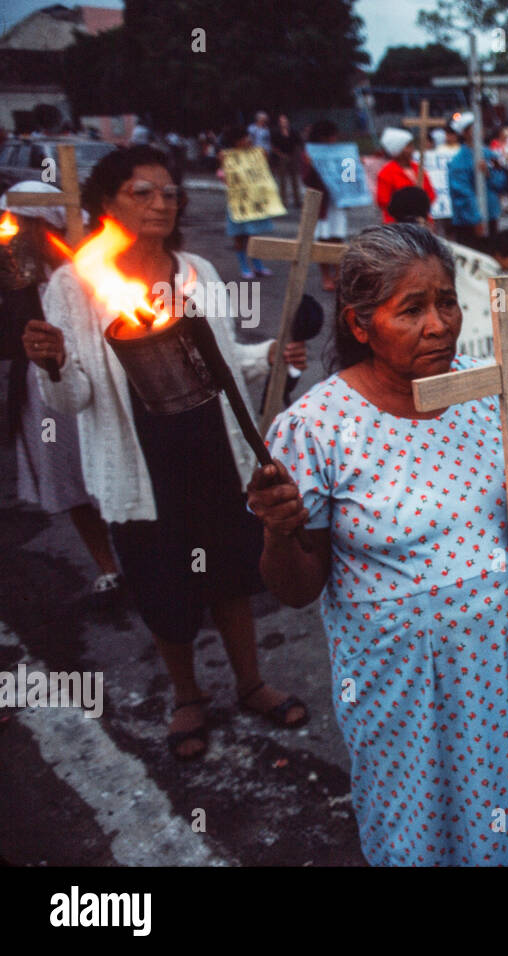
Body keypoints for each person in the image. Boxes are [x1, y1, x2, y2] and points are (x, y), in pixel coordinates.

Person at [248, 223, 508, 865]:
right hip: (399, 685)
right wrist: (279, 530)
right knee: (414, 827)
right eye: (412, 309)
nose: (440, 325)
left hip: (496, 668)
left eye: (447, 301)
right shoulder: (317, 428)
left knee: (491, 817)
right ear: (361, 323)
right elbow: (293, 588)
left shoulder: (493, 396)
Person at [27, 145, 309, 760]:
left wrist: (269, 357)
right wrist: (51, 363)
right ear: (107, 201)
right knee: (163, 581)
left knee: (233, 570)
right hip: (141, 461)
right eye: (142, 192)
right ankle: (187, 696)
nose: (161, 203)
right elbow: (72, 398)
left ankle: (250, 682)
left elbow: (221, 360)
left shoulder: (196, 271)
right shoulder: (73, 285)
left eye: (170, 192)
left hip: (211, 447)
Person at [3, 183, 122, 599]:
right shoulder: (12, 278)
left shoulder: (87, 270)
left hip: (99, 379)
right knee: (68, 477)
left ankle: (144, 553)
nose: (14, 233)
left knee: (117, 468)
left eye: (24, 224)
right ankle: (108, 566)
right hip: (44, 393)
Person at [218, 126, 275, 278]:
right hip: (238, 200)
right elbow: (224, 173)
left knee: (254, 235)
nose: (248, 140)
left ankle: (258, 265)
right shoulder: (226, 155)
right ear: (236, 141)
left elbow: (263, 168)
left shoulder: (254, 153)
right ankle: (244, 266)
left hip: (252, 199)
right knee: (240, 236)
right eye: (244, 138)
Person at [300, 120, 347, 290]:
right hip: (320, 204)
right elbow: (306, 180)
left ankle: (338, 273)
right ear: (322, 137)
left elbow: (348, 177)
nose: (334, 139)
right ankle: (325, 276)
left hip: (336, 202)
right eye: (331, 136)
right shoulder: (309, 153)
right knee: (323, 239)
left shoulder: (341, 152)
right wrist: (311, 166)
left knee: (338, 237)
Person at [447, 112, 506, 246]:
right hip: (469, 223)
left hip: (491, 215)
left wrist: (488, 174)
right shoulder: (459, 161)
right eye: (474, 128)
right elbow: (462, 193)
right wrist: (475, 220)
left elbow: (500, 183)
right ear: (465, 132)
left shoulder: (490, 155)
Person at [375, 127, 436, 226]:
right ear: (398, 150)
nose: (412, 150)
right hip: (397, 224)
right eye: (408, 146)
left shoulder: (418, 169)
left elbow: (430, 194)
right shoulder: (387, 173)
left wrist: (422, 208)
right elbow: (383, 201)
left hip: (422, 221)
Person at [269, 114, 302, 208]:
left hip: (292, 156)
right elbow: (273, 146)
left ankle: (297, 200)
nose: (284, 123)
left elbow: (298, 143)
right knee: (282, 180)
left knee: (294, 179)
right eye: (282, 121)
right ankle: (283, 201)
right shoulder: (275, 132)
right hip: (281, 157)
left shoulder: (293, 131)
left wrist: (295, 155)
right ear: (279, 123)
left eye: (285, 121)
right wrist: (281, 155)